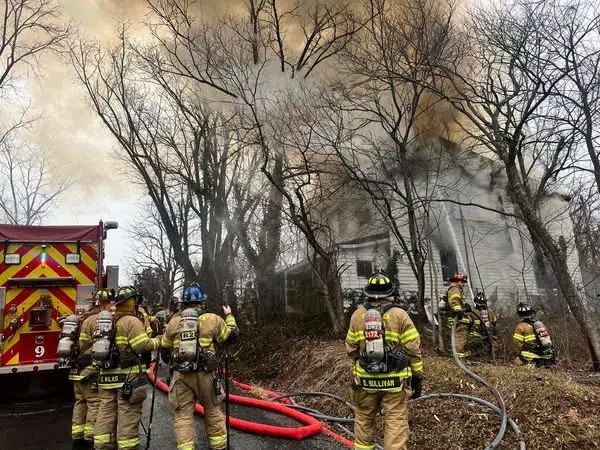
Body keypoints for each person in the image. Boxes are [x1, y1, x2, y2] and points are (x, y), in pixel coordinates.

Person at [345, 270, 423, 450]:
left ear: (368, 292)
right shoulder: (400, 315)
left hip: (365, 380)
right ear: (390, 292)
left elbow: (350, 349)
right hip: (395, 381)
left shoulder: (357, 315)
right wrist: (417, 375)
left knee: (364, 417)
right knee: (395, 420)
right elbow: (412, 348)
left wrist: (362, 363)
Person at [161, 283, 239, 450]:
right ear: (202, 302)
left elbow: (164, 351)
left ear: (184, 303)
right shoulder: (213, 319)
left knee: (183, 415)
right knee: (212, 411)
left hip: (181, 375)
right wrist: (229, 315)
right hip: (206, 374)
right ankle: (218, 447)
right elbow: (231, 336)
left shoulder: (174, 323)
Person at [93, 285, 161, 450]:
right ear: (132, 301)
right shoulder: (131, 320)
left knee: (106, 411)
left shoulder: (108, 320)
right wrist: (158, 341)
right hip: (127, 376)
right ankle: (127, 446)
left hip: (106, 374)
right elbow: (142, 345)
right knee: (127, 412)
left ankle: (102, 444)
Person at [63, 289, 113, 449]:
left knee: (80, 402)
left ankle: (77, 437)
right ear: (103, 303)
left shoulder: (82, 318)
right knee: (94, 403)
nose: (111, 306)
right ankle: (89, 438)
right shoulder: (99, 320)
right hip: (90, 370)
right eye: (109, 303)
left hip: (77, 369)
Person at [513, 302, 555, 368]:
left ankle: (532, 365)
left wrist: (519, 353)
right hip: (546, 356)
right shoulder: (539, 324)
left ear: (519, 314)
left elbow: (518, 343)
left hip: (531, 357)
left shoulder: (520, 327)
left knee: (516, 362)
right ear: (531, 312)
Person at [446, 273, 473, 358]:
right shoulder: (455, 289)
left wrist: (465, 307)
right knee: (460, 341)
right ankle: (459, 360)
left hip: (459, 320)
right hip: (458, 320)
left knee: (463, 340)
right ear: (457, 281)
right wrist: (459, 311)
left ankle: (463, 359)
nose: (463, 284)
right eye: (462, 282)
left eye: (464, 282)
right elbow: (455, 301)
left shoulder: (456, 289)